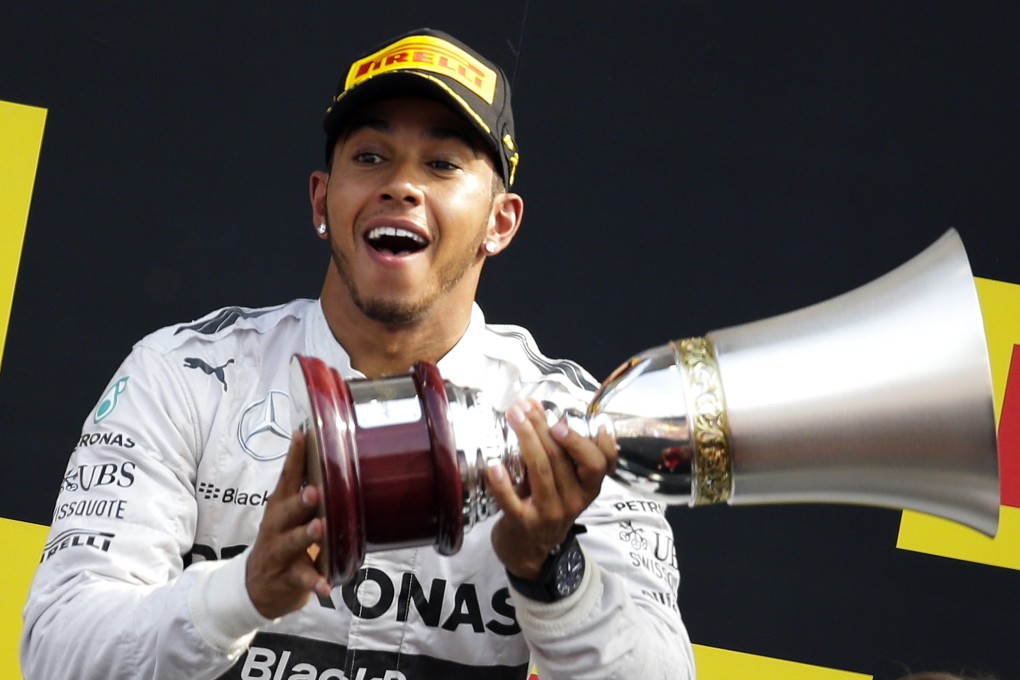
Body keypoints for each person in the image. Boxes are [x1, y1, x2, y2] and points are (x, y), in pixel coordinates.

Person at [21, 27, 695, 680]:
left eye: (442, 164)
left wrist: (549, 568)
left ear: (500, 221)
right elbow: (57, 651)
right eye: (370, 156)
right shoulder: (185, 376)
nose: (401, 185)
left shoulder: (567, 429)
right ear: (322, 200)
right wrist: (243, 592)